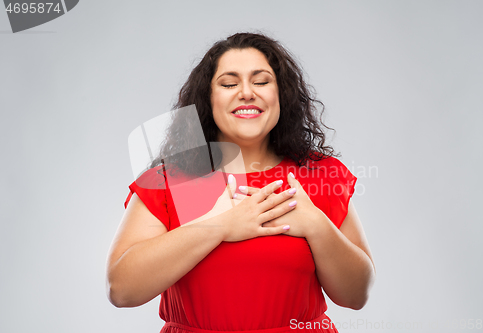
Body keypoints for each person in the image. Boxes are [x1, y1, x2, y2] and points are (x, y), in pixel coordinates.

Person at [106, 32, 376, 333]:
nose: (246, 93)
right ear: (208, 98)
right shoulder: (169, 182)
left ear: (281, 94)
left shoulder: (320, 175)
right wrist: (218, 226)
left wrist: (316, 224)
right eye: (229, 83)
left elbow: (356, 295)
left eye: (261, 81)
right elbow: (122, 290)